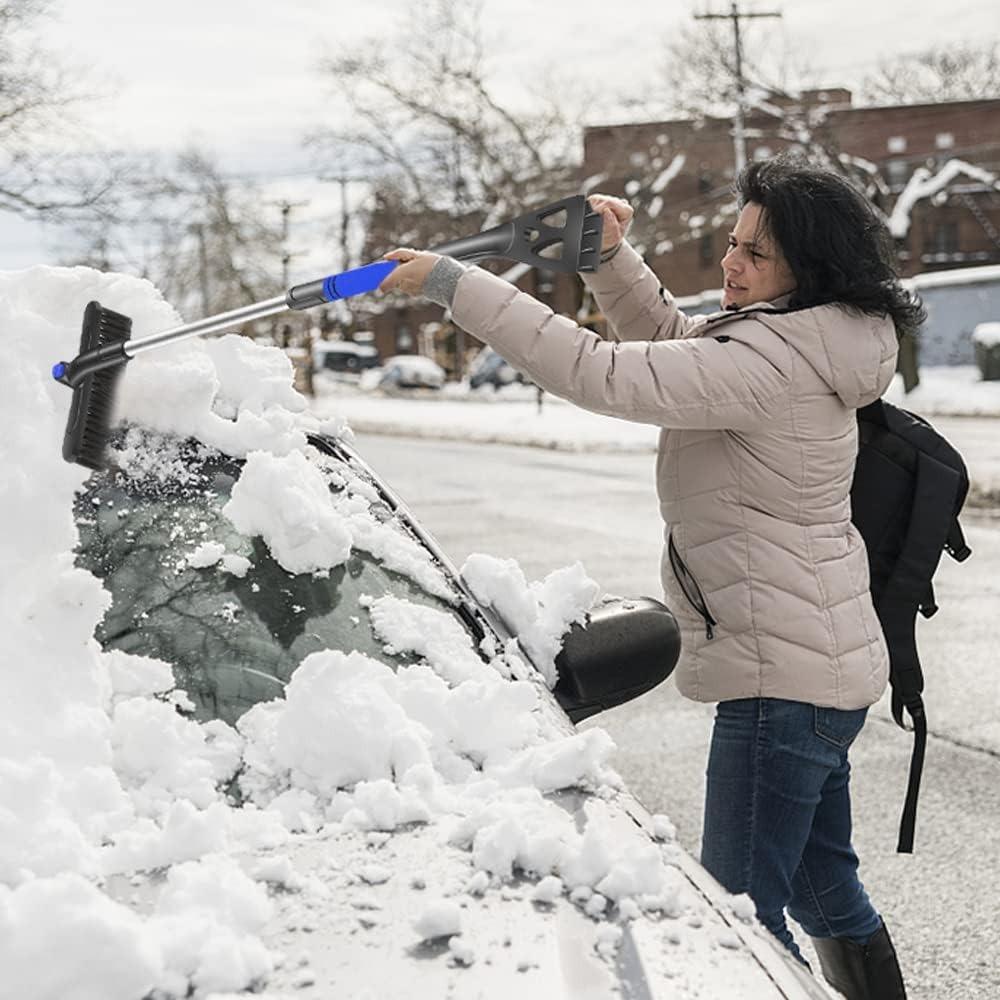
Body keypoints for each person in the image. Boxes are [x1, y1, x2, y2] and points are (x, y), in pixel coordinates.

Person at [378, 154, 922, 1000]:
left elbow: (601, 371)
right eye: (732, 242)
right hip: (819, 671)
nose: (732, 262)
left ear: (809, 268)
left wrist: (454, 284)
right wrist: (607, 258)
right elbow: (675, 345)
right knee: (822, 890)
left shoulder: (771, 362)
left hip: (782, 684)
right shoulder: (803, 341)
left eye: (756, 253)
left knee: (739, 918)